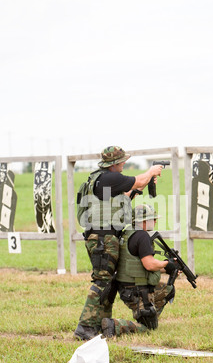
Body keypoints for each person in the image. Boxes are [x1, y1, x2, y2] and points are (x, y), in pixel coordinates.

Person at [74, 146, 164, 341]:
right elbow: (138, 181)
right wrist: (151, 172)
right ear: (113, 164)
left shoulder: (100, 179)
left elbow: (114, 202)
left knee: (108, 282)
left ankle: (99, 323)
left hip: (102, 237)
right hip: (103, 238)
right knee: (102, 281)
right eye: (122, 161)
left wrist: (131, 194)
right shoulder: (108, 178)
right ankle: (85, 326)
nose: (124, 163)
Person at [101, 204, 177, 338]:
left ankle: (148, 314)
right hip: (138, 291)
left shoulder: (128, 233)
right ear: (143, 221)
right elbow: (149, 265)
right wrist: (167, 263)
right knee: (148, 329)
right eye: (152, 218)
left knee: (168, 289)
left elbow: (137, 265)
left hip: (126, 287)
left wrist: (167, 268)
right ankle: (115, 325)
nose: (155, 221)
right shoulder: (142, 236)